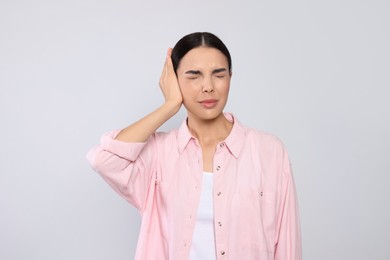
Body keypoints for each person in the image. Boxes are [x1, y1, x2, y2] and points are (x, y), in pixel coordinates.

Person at [86, 32, 301, 260]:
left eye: (218, 75)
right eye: (193, 76)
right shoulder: (159, 154)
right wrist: (169, 106)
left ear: (230, 77)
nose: (208, 86)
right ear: (174, 81)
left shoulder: (270, 152)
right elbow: (103, 159)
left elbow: (287, 245)